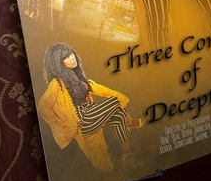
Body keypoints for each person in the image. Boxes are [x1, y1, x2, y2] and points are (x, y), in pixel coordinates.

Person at [37, 42, 144, 172]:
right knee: (115, 101)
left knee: (119, 117)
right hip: (83, 120)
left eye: (71, 53)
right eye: (66, 57)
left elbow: (97, 88)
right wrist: (65, 125)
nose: (72, 57)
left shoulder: (77, 76)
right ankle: (129, 122)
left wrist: (120, 96)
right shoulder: (56, 83)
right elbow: (42, 107)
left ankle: (127, 157)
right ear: (58, 63)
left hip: (90, 111)